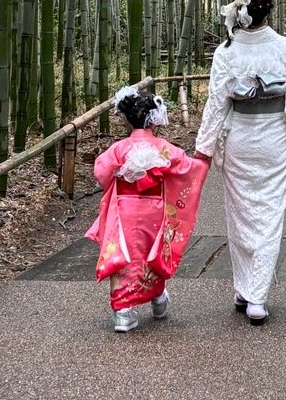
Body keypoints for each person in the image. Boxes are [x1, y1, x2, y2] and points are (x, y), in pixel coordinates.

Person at [195, 0, 286, 323]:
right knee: (269, 216)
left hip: (239, 143)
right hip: (273, 141)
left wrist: (203, 149)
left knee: (240, 216)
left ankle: (245, 289)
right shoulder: (285, 48)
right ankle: (257, 297)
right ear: (267, 10)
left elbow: (216, 104)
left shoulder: (227, 52)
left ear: (239, 9)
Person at [86, 86, 209, 332]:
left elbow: (101, 172)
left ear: (127, 120)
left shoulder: (119, 149)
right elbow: (187, 168)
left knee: (124, 254)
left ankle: (122, 312)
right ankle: (158, 298)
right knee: (154, 252)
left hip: (124, 208)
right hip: (155, 209)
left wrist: (121, 173)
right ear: (154, 119)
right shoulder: (164, 148)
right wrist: (204, 160)